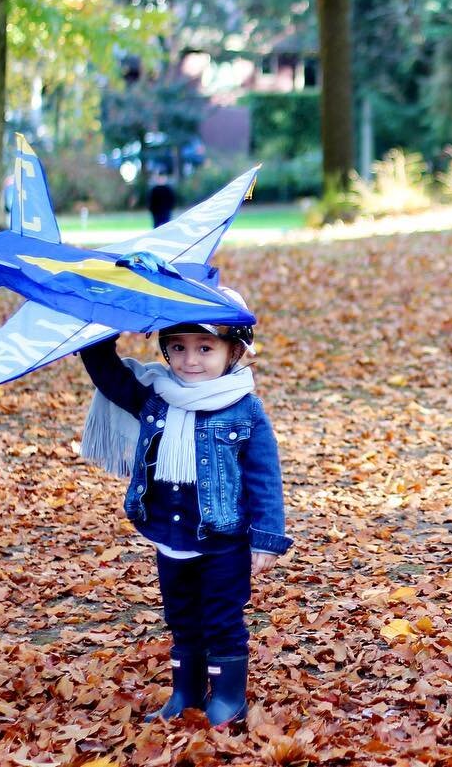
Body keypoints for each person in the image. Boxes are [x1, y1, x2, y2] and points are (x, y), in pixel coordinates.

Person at [77, 290, 290, 727]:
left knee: (221, 618)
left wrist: (266, 538)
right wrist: (106, 318)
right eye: (178, 347)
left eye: (205, 348)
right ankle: (186, 692)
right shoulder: (157, 398)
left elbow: (264, 476)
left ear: (234, 351)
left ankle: (228, 699)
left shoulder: (245, 409)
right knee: (180, 616)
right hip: (170, 536)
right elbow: (108, 375)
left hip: (223, 540)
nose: (191, 360)